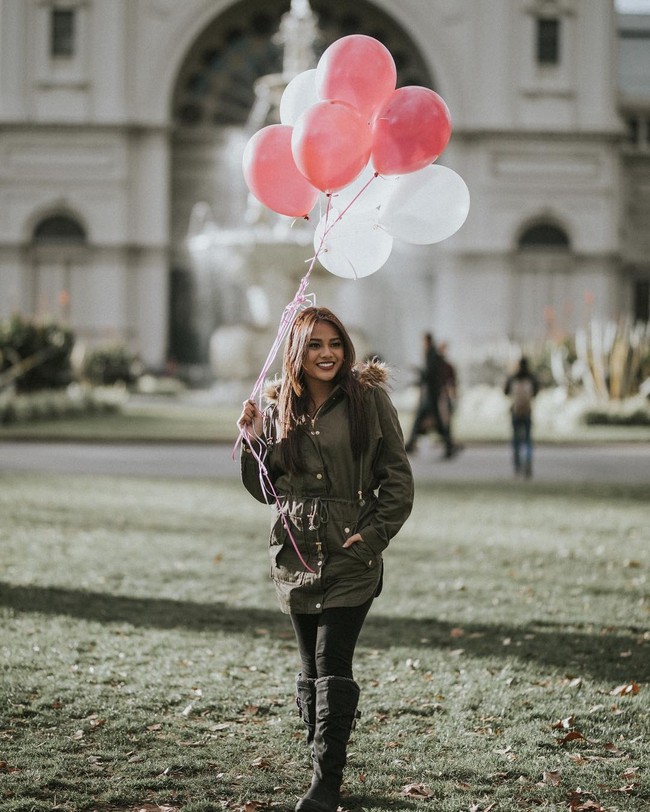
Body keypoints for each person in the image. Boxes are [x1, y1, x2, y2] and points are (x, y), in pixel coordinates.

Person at [237, 306, 414, 812]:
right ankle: (322, 767)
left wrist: (373, 534)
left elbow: (397, 478)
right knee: (308, 672)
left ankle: (325, 784)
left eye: (335, 343)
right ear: (297, 351)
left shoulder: (368, 400)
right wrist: (251, 441)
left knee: (331, 661)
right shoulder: (277, 406)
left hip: (349, 553)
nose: (327, 353)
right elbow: (264, 491)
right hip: (293, 550)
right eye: (314, 344)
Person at [405, 332, 460, 458]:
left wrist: (417, 373)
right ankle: (448, 445)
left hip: (432, 395)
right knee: (424, 420)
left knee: (430, 421)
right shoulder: (433, 354)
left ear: (427, 341)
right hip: (432, 394)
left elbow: (429, 374)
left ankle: (448, 445)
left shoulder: (431, 354)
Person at [504, 356, 539, 478]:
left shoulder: (513, 377)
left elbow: (505, 391)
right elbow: (536, 393)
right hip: (527, 411)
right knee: (527, 440)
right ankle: (528, 464)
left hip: (516, 411)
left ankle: (517, 467)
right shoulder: (532, 378)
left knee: (516, 440)